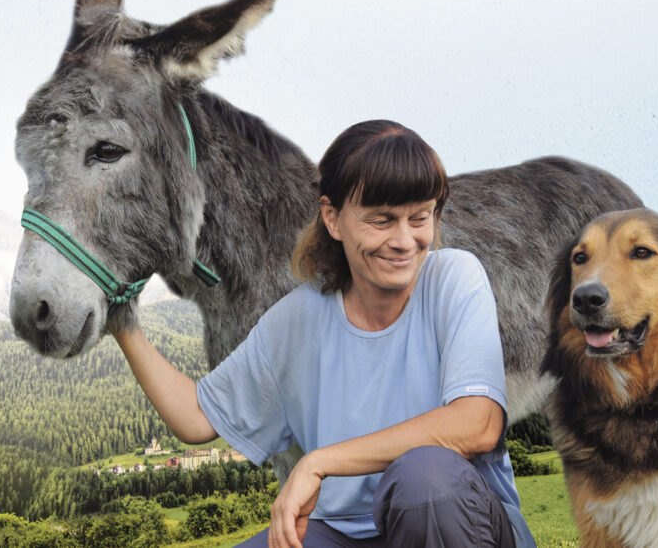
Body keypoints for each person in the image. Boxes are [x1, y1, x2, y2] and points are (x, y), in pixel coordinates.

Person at [114, 119, 535, 547]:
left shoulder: (454, 278)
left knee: (424, 480)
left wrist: (320, 462)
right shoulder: (299, 317)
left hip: (458, 524)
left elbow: (477, 424)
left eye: (420, 217)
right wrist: (123, 322)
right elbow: (197, 416)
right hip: (342, 534)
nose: (405, 241)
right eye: (383, 220)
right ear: (333, 218)